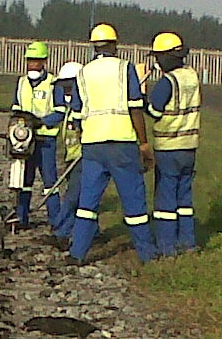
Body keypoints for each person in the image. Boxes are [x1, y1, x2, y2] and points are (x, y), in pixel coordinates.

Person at [67, 23, 158, 265]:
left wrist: (84, 137)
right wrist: (144, 143)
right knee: (134, 201)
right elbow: (135, 108)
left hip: (93, 145)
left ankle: (77, 253)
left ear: (94, 47)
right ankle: (147, 255)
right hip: (122, 143)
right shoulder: (124, 68)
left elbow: (76, 114)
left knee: (87, 203)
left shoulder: (83, 73)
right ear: (115, 45)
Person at [144, 32, 201, 256]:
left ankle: (166, 246)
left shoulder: (168, 81)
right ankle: (188, 242)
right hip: (190, 145)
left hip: (168, 146)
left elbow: (155, 112)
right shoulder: (192, 76)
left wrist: (143, 99)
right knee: (184, 197)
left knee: (166, 199)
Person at [11, 41, 61, 228]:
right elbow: (16, 106)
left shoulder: (53, 83)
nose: (32, 64)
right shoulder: (22, 82)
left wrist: (42, 121)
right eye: (30, 60)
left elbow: (60, 111)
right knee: (24, 181)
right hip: (25, 140)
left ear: (44, 61)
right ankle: (22, 218)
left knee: (50, 182)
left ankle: (56, 221)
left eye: (36, 60)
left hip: (45, 139)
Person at [38, 61, 84, 250]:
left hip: (83, 157)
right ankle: (86, 231)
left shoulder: (84, 108)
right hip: (72, 156)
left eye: (67, 85)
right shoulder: (71, 108)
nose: (65, 90)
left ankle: (61, 230)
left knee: (73, 197)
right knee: (80, 198)